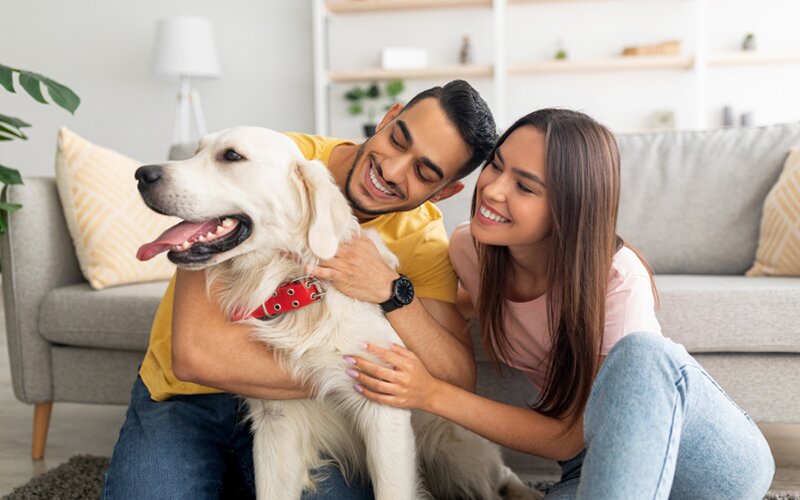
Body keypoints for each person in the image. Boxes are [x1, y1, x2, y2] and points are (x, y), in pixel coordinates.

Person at [346, 108, 776, 499]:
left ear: (569, 207)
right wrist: (382, 287)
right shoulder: (471, 250)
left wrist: (430, 393)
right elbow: (440, 315)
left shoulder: (617, 277)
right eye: (496, 165)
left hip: (701, 466)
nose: (492, 190)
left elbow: (569, 435)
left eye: (525, 186)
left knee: (643, 354)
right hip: (590, 470)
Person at [102, 80, 496, 499]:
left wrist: (390, 290)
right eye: (399, 139)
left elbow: (454, 378)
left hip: (313, 410)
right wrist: (359, 375)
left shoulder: (422, 237)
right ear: (388, 117)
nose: (393, 170)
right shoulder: (271, 157)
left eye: (424, 172)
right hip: (187, 398)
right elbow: (195, 357)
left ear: (446, 191)